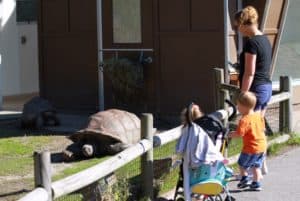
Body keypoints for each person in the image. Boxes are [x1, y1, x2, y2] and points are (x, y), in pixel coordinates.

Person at [234, 5, 272, 174]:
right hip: (266, 87)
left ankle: (255, 167)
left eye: (238, 25)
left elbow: (249, 72)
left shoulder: (251, 44)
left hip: (255, 89)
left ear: (244, 23)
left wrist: (242, 94)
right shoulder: (264, 39)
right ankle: (261, 163)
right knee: (259, 127)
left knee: (252, 130)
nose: (238, 29)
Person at [228, 91, 267, 191]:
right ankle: (256, 183)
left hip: (251, 148)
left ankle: (244, 179)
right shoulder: (259, 116)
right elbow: (262, 129)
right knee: (256, 166)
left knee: (242, 164)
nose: (237, 108)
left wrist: (228, 134)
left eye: (239, 106)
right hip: (262, 146)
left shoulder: (244, 120)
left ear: (244, 106)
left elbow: (239, 134)